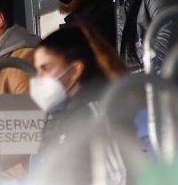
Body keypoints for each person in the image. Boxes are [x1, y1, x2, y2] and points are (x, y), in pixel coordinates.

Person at [29, 22, 126, 184]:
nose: (38, 78)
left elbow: (119, 177)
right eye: (37, 69)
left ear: (75, 70)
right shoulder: (57, 117)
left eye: (46, 68)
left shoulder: (99, 114)